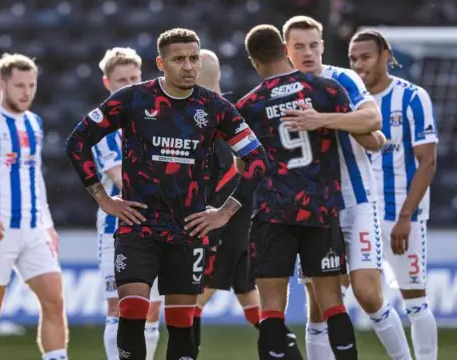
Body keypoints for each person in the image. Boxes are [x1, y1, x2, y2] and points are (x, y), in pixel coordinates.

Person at [66, 28, 268, 360]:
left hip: (188, 230)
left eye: (193, 58)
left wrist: (225, 211)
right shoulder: (132, 99)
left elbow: (257, 159)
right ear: (161, 63)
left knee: (180, 324)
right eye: (179, 59)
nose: (188, 66)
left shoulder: (213, 107)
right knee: (130, 311)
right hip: (138, 227)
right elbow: (77, 141)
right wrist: (103, 198)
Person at [281, 15, 412, 360]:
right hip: (312, 209)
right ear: (286, 50)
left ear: (323, 46)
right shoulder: (280, 91)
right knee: (320, 304)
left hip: (358, 202)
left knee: (368, 294)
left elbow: (373, 121)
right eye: (299, 46)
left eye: (313, 45)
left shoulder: (342, 79)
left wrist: (321, 120)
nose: (308, 52)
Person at [237, 24, 358, 360]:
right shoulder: (326, 90)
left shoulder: (249, 106)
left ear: (254, 61)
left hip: (272, 214)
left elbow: (243, 167)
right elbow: (357, 128)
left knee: (272, 309)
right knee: (332, 303)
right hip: (320, 210)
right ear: (284, 49)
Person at [192, 49, 302, 360]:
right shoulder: (232, 115)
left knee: (191, 303)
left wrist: (213, 222)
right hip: (244, 226)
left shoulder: (209, 121)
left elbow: (228, 175)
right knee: (252, 301)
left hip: (221, 230)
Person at [0, 53, 68, 360]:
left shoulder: (34, 123)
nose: (26, 92)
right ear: (2, 84)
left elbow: (34, 175)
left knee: (55, 301)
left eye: (31, 85)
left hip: (34, 229)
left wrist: (47, 223)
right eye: (19, 85)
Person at [349, 29, 439, 360]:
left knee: (415, 302)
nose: (359, 65)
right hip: (358, 214)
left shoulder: (413, 98)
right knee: (349, 297)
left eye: (366, 57)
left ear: (386, 55)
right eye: (353, 59)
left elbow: (427, 161)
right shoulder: (347, 99)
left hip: (402, 215)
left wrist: (405, 216)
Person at [93, 47, 163, 360]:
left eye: (134, 78)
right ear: (107, 83)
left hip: (161, 226)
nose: (130, 85)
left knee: (152, 310)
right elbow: (124, 181)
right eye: (122, 80)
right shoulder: (102, 127)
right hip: (116, 229)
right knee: (118, 307)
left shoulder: (159, 119)